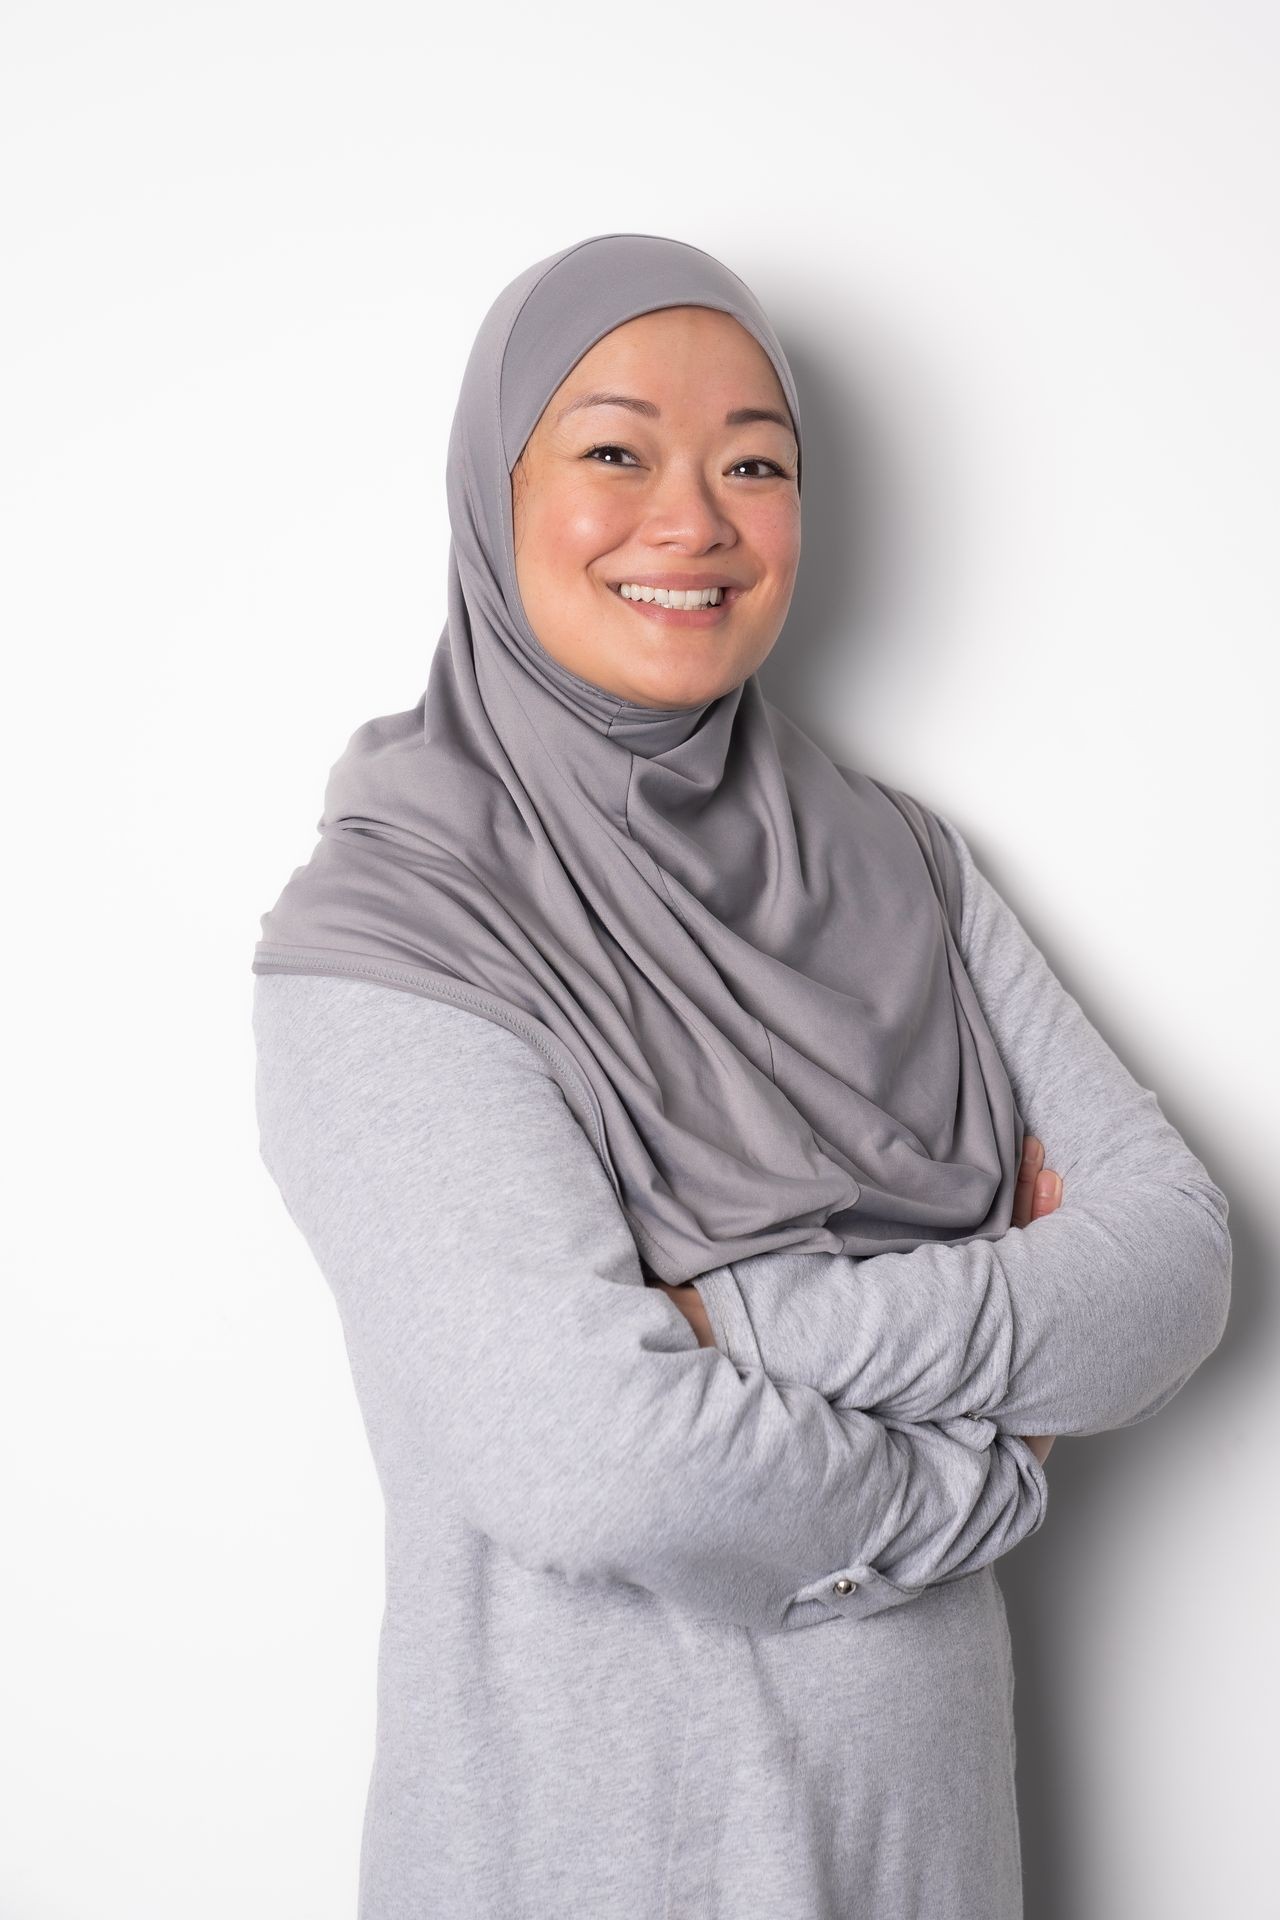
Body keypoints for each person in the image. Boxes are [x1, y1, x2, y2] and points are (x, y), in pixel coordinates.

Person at [249, 232, 1232, 1919]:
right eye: (616, 450)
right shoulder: (393, 933)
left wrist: (728, 1326)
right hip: (576, 1863)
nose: (693, 519)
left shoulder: (901, 869)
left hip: (926, 1856)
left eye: (755, 463)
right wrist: (983, 1466)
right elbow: (585, 1454)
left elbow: (1174, 1266)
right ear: (495, 494)